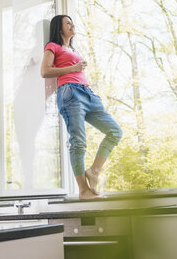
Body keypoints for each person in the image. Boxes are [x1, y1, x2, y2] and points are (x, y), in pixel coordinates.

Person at [40, 15, 122, 199]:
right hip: (70, 93)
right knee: (79, 141)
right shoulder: (52, 46)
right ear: (59, 28)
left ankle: (93, 171)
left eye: (72, 22)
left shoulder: (73, 49)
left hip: (88, 94)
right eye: (67, 23)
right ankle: (83, 190)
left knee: (115, 131)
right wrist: (73, 69)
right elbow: (45, 71)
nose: (72, 25)